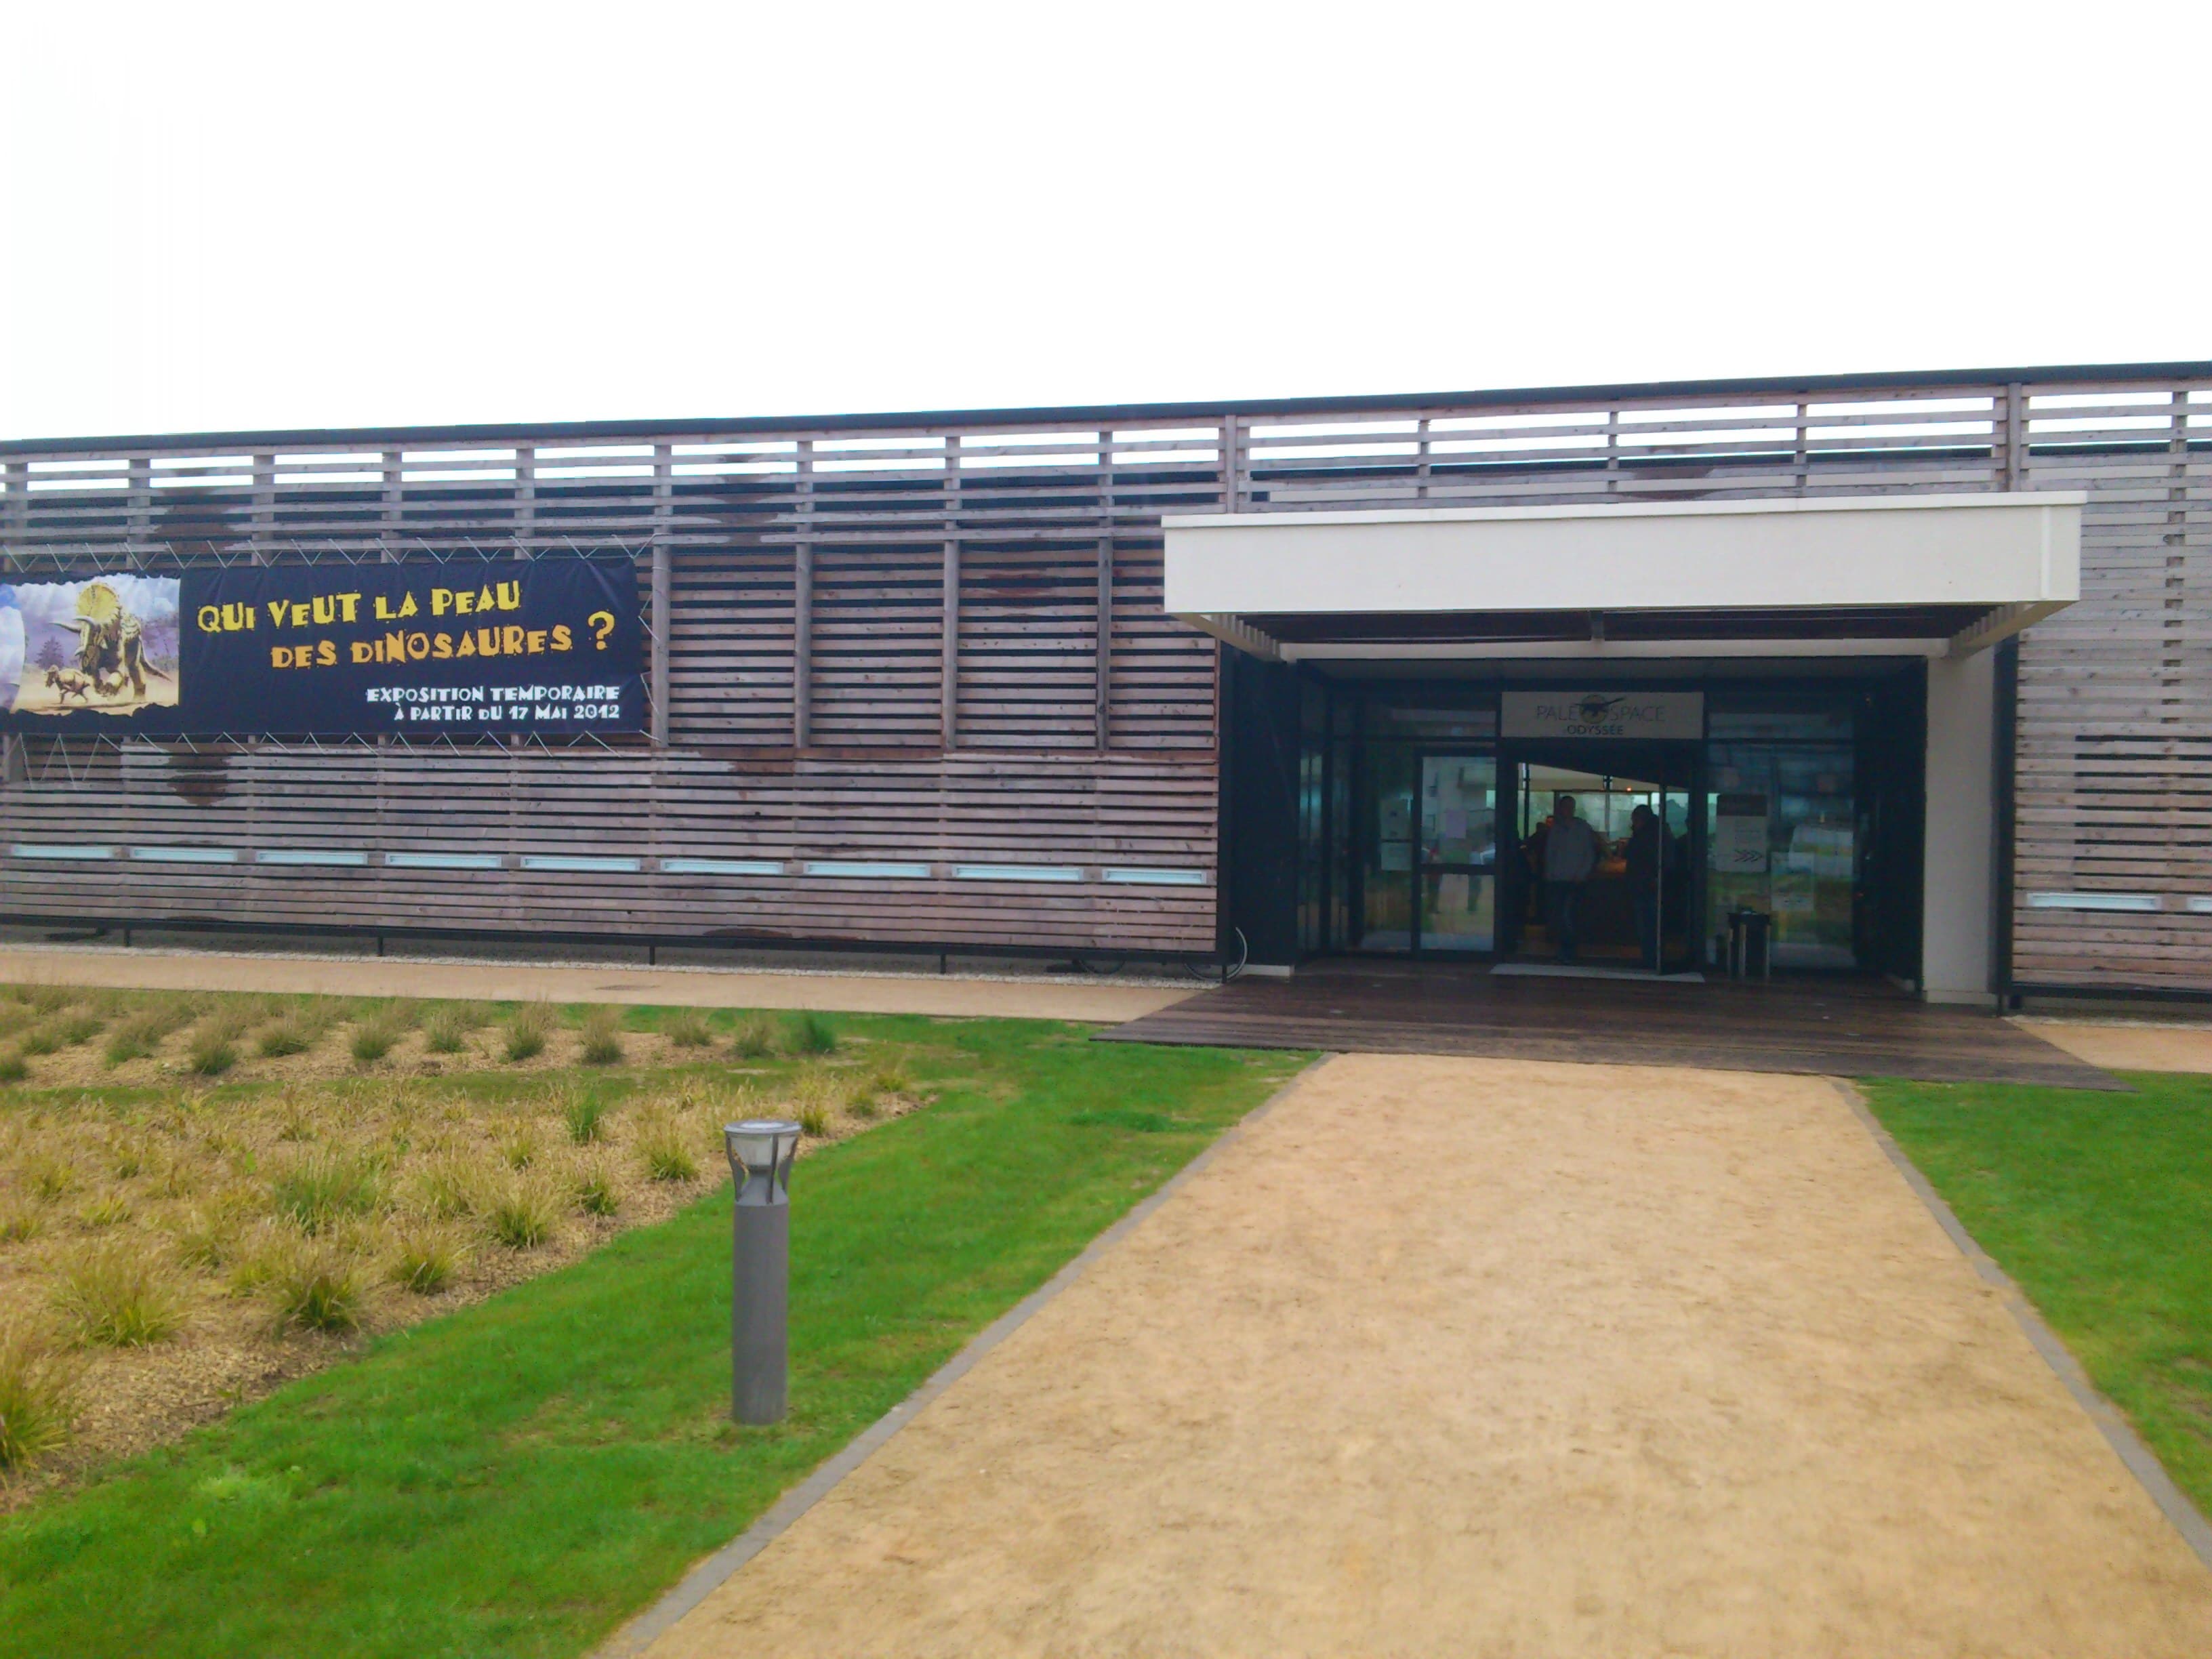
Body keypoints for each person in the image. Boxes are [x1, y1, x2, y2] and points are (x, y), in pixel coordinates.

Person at [1540, 793, 1599, 962]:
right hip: (1557, 880)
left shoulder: (1581, 828)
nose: (1566, 811)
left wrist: (1581, 874)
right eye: (1563, 807)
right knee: (1560, 917)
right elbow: (1550, 854)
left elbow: (1589, 854)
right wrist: (1550, 874)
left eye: (1568, 807)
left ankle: (1569, 951)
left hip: (1574, 881)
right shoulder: (1556, 829)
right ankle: (1564, 951)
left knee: (1569, 916)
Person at [1626, 802, 1671, 970]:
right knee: (1651, 925)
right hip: (1649, 883)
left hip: (1645, 885)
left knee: (1647, 925)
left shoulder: (1645, 836)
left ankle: (1650, 959)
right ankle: (1653, 958)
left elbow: (1634, 855)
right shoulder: (1659, 833)